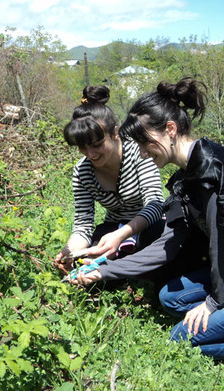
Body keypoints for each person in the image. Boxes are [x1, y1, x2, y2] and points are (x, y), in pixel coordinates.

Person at [71, 78, 224, 391]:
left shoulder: (213, 176)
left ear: (169, 130)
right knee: (169, 298)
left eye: (146, 143)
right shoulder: (189, 176)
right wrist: (101, 270)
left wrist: (214, 304)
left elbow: (222, 250)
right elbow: (165, 247)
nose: (144, 154)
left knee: (181, 340)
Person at [55, 85, 165, 273]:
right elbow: (83, 223)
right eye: (82, 147)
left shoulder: (139, 153)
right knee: (86, 269)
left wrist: (122, 235)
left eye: (97, 145)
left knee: (156, 236)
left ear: (115, 133)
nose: (90, 154)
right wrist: (71, 252)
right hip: (113, 229)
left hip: (147, 227)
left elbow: (155, 205)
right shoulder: (82, 172)